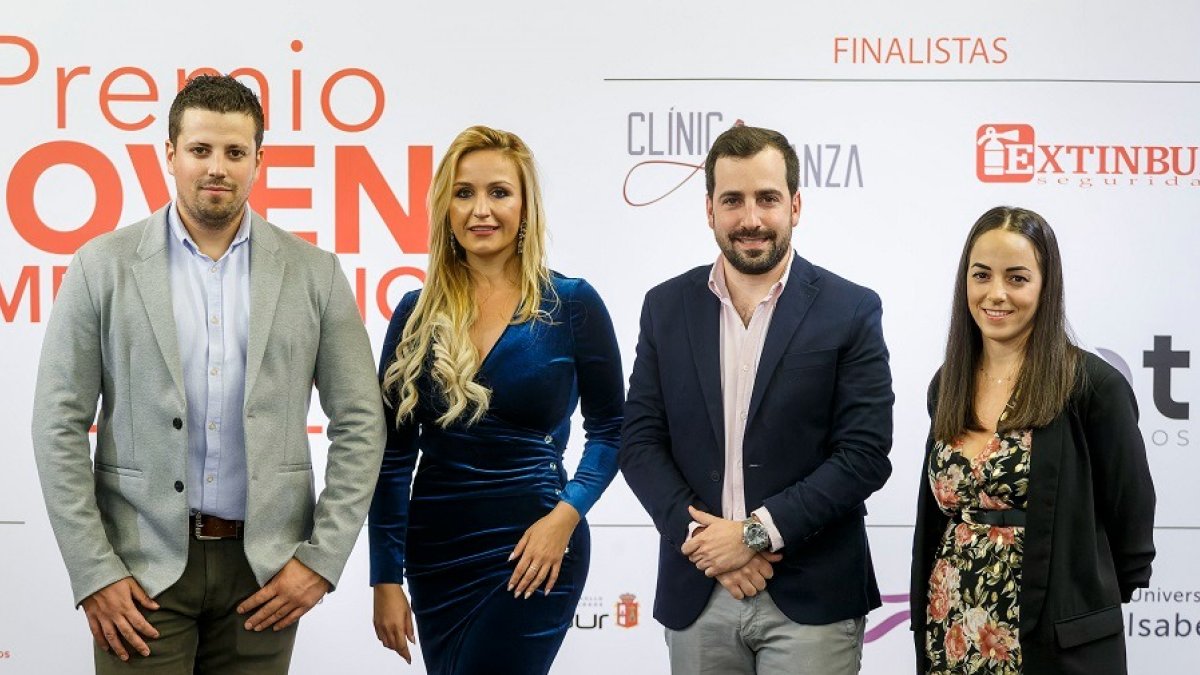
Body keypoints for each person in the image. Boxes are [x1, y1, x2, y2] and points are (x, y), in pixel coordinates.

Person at [30, 74, 385, 673]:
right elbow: (57, 423)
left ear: (259, 160)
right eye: (200, 150)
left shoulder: (314, 273)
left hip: (264, 573)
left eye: (235, 152)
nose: (217, 167)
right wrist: (94, 570)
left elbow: (361, 422)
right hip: (139, 569)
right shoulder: (101, 266)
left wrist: (322, 559)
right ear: (169, 154)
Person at [619, 124, 894, 675]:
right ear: (709, 210)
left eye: (767, 198)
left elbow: (864, 455)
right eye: (733, 200)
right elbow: (640, 441)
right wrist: (703, 541)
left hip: (812, 595)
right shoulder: (665, 308)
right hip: (699, 590)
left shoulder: (851, 308)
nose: (750, 219)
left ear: (795, 204)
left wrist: (751, 535)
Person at [368, 125, 624, 674]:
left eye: (499, 192)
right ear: (445, 207)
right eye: (464, 193)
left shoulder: (573, 304)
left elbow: (611, 430)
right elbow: (391, 460)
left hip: (535, 548)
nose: (481, 209)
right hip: (436, 555)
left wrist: (566, 516)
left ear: (526, 205)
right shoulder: (413, 314)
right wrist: (385, 577)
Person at [910, 206, 1156, 674]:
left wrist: (1079, 604)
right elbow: (936, 520)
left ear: (1046, 286)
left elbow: (1132, 526)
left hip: (1053, 643)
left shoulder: (1091, 386)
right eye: (981, 275)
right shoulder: (948, 384)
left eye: (1017, 278)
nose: (995, 294)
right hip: (952, 630)